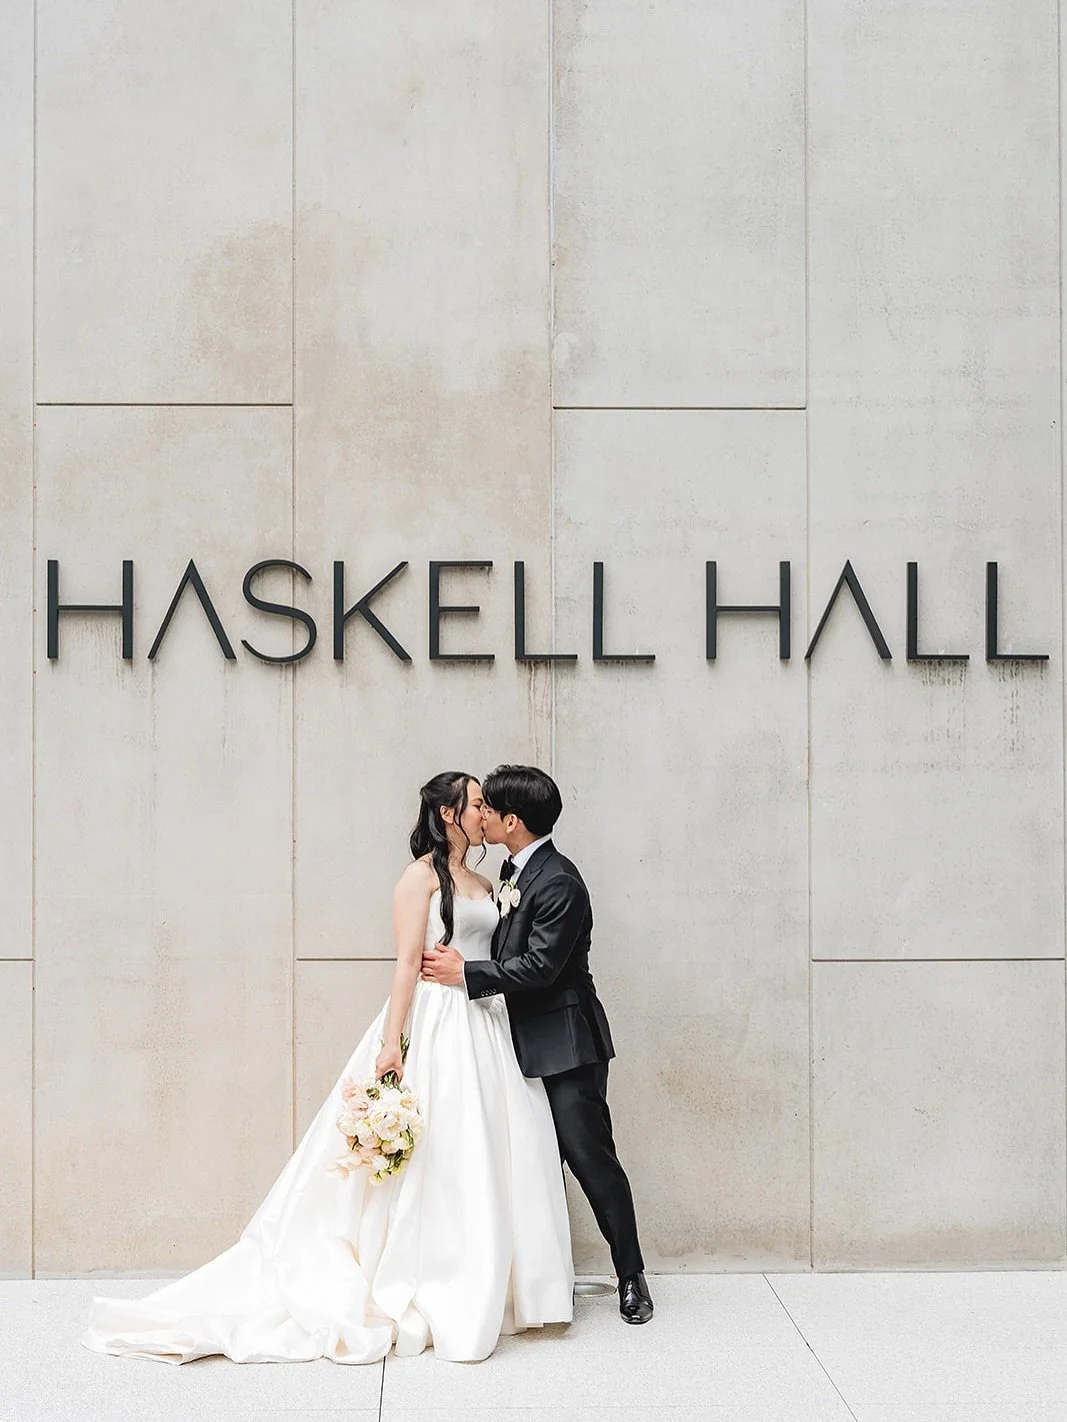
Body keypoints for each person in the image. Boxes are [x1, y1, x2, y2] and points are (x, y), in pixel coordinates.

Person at [83, 772, 573, 1365]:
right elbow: (404, 965)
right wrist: (392, 1046)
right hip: (437, 1020)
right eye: (475, 804)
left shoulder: (485, 879)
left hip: (484, 1022)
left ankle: (493, 1275)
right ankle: (423, 1275)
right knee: (439, 1154)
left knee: (487, 1148)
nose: (485, 812)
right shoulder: (420, 879)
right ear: (448, 815)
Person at [421, 764, 652, 1325]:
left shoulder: (559, 882)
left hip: (566, 1044)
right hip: (512, 1041)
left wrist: (467, 973)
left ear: (513, 821)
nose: (482, 817)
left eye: (489, 809)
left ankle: (631, 1276)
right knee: (523, 1161)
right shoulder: (512, 868)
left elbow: (541, 968)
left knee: (590, 1158)